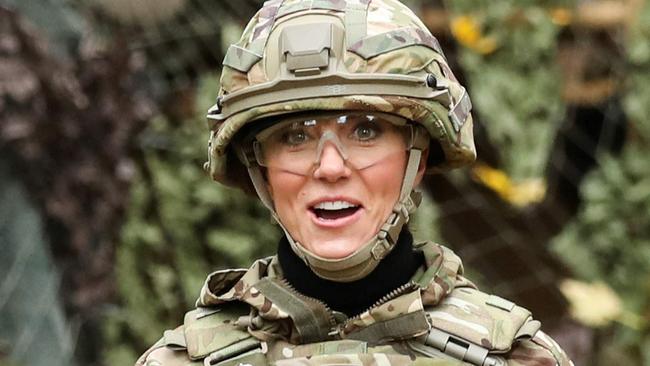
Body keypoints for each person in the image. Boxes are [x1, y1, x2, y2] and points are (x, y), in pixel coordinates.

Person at [136, 0, 574, 364]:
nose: (329, 167)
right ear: (258, 167)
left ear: (417, 158)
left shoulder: (515, 357)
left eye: (365, 131)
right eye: (295, 136)